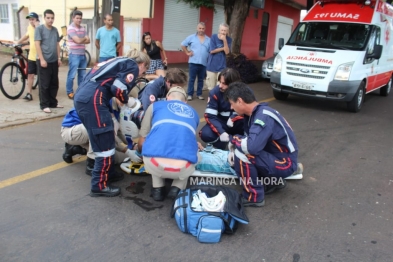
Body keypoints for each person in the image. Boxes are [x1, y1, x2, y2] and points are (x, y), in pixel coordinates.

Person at [74, 49, 150, 197]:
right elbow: (118, 88)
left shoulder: (116, 61)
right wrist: (129, 101)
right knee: (104, 140)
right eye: (143, 71)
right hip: (93, 100)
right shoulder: (132, 65)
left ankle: (108, 174)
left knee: (104, 136)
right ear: (142, 64)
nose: (140, 75)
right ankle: (99, 185)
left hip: (85, 97)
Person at [225, 82, 303, 207]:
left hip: (285, 164)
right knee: (241, 149)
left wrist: (233, 139)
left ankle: (254, 197)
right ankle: (274, 182)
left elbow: (251, 147)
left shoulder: (262, 117)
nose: (231, 108)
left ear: (239, 101)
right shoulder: (256, 113)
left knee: (243, 152)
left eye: (231, 103)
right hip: (282, 159)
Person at [138, 86, 200, 201]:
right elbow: (187, 138)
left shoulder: (155, 106)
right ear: (185, 102)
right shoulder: (194, 113)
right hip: (182, 168)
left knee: (153, 146)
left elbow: (143, 138)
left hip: (154, 164)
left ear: (167, 98)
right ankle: (177, 187)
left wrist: (140, 152)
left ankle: (157, 189)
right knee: (196, 153)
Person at [61, 104, 142, 175]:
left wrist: (133, 145)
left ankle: (76, 148)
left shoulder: (115, 107)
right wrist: (126, 151)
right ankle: (90, 166)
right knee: (99, 131)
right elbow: (106, 135)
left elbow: (119, 130)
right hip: (71, 130)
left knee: (114, 160)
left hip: (88, 131)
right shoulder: (103, 105)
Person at [199, 68, 243, 150]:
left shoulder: (244, 92)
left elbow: (250, 112)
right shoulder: (215, 93)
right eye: (220, 82)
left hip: (239, 123)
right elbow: (210, 116)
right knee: (205, 134)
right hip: (222, 123)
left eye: (224, 84)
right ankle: (223, 147)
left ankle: (240, 145)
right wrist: (221, 132)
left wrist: (234, 118)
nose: (220, 86)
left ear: (234, 84)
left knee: (254, 130)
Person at [35, 9, 62, 113]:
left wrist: (59, 58)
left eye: (52, 18)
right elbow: (37, 44)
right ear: (44, 18)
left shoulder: (55, 30)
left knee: (54, 83)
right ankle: (44, 104)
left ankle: (53, 102)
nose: (50, 20)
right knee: (44, 84)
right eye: (48, 18)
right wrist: (42, 59)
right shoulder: (40, 29)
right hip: (44, 61)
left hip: (54, 60)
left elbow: (57, 44)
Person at [181, 22, 210, 101]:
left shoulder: (208, 39)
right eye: (200, 28)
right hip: (193, 62)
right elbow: (183, 44)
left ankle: (199, 94)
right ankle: (190, 94)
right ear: (197, 28)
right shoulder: (191, 37)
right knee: (192, 79)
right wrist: (187, 52)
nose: (201, 30)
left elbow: (210, 51)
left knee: (201, 79)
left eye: (203, 28)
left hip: (203, 63)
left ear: (205, 29)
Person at [65, 10, 90, 100]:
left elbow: (89, 40)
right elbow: (78, 41)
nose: (79, 20)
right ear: (73, 18)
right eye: (77, 18)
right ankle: (70, 92)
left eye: (80, 18)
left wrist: (80, 39)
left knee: (82, 75)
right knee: (72, 75)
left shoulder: (83, 28)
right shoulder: (70, 28)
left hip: (82, 54)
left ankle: (80, 91)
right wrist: (83, 39)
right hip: (74, 55)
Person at [16, 12, 40, 101]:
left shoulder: (40, 28)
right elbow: (26, 36)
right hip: (31, 55)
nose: (31, 21)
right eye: (30, 19)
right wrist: (18, 42)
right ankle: (29, 93)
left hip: (39, 56)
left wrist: (37, 26)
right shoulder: (29, 27)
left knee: (41, 76)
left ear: (37, 20)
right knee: (30, 75)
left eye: (33, 19)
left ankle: (43, 94)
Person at [206, 23, 232, 91]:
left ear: (227, 31)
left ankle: (218, 101)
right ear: (219, 30)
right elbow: (212, 51)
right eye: (222, 30)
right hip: (211, 66)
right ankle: (212, 101)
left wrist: (224, 40)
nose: (223, 32)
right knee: (211, 88)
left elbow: (227, 52)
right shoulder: (214, 37)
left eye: (225, 31)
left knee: (220, 87)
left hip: (222, 67)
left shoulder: (229, 39)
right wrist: (223, 48)